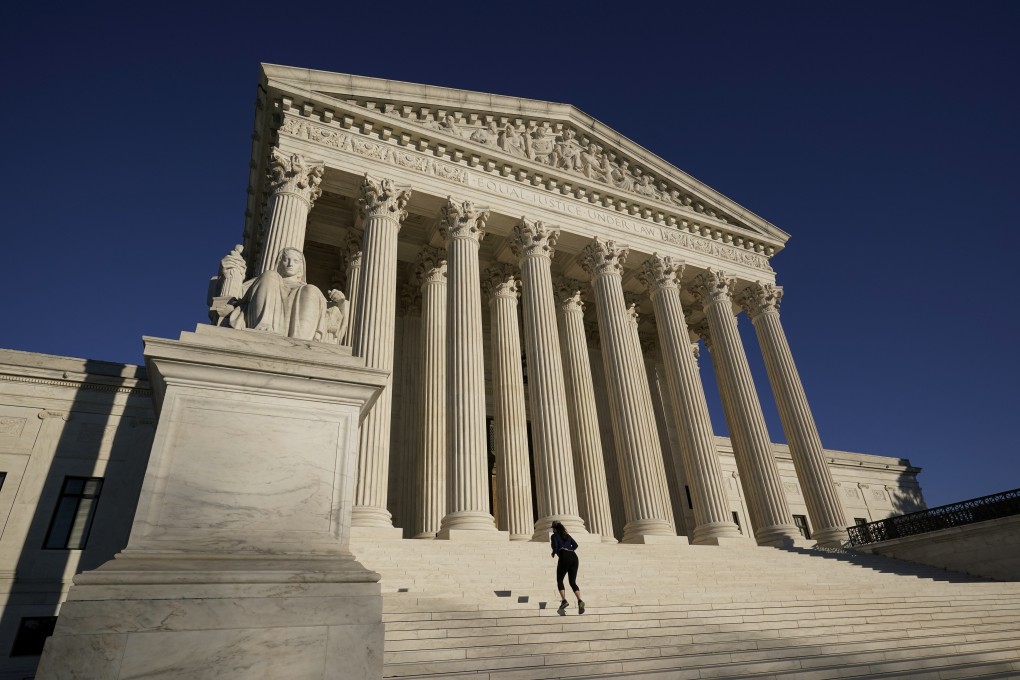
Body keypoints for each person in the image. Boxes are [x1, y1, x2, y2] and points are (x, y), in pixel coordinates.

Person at [550, 521, 584, 614]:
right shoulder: (567, 535)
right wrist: (570, 550)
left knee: (560, 579)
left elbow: (555, 546)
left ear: (555, 528)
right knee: (572, 581)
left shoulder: (554, 536)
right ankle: (580, 600)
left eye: (553, 528)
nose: (552, 530)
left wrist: (554, 552)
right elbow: (576, 545)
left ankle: (564, 600)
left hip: (564, 556)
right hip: (574, 557)